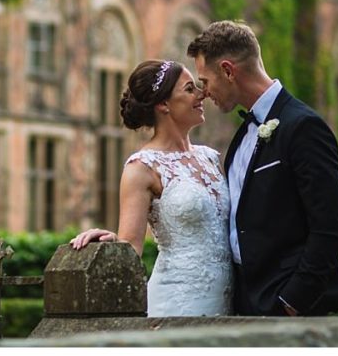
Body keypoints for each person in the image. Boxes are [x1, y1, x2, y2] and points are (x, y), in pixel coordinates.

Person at [187, 20, 338, 317]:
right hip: (242, 305)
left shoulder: (303, 127)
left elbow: (331, 227)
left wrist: (292, 301)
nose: (204, 92)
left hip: (288, 308)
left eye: (205, 81)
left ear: (227, 70)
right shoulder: (241, 137)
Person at [70, 59, 233, 317]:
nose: (202, 94)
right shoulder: (142, 167)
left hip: (230, 304)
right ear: (163, 104)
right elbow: (130, 248)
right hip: (177, 304)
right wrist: (112, 241)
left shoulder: (210, 157)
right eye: (190, 89)